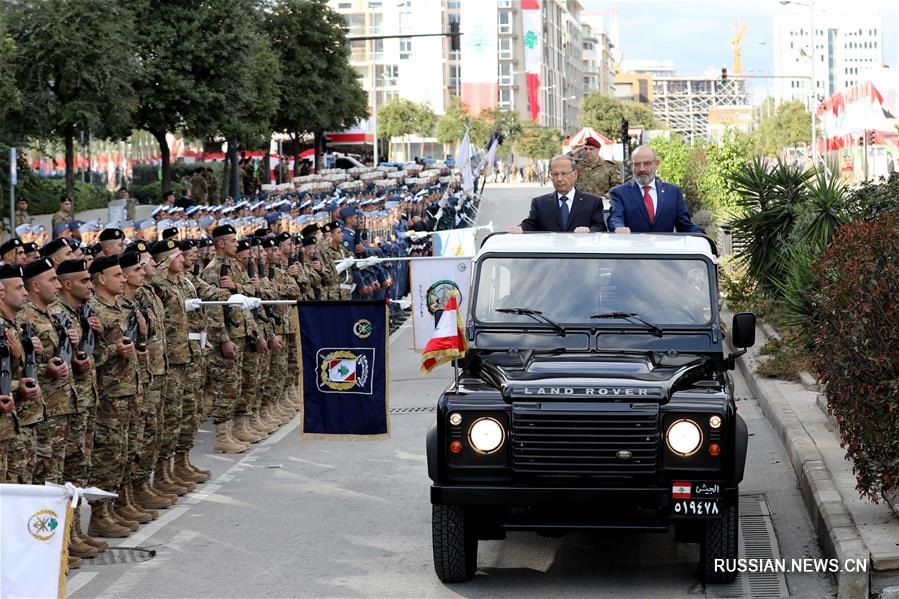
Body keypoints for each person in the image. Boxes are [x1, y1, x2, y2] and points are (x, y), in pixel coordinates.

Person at [608, 145, 703, 234]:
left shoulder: (673, 192)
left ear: (656, 164)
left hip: (664, 250)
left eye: (647, 163)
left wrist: (709, 241)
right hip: (634, 250)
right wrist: (618, 228)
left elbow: (685, 226)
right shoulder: (619, 193)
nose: (642, 169)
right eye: (637, 164)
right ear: (631, 166)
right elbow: (615, 217)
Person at [510, 154, 607, 234]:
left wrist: (588, 230)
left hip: (580, 255)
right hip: (552, 255)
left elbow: (600, 227)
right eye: (555, 174)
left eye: (564, 173)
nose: (559, 179)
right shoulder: (540, 203)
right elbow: (531, 224)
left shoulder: (592, 202)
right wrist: (520, 228)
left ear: (575, 174)